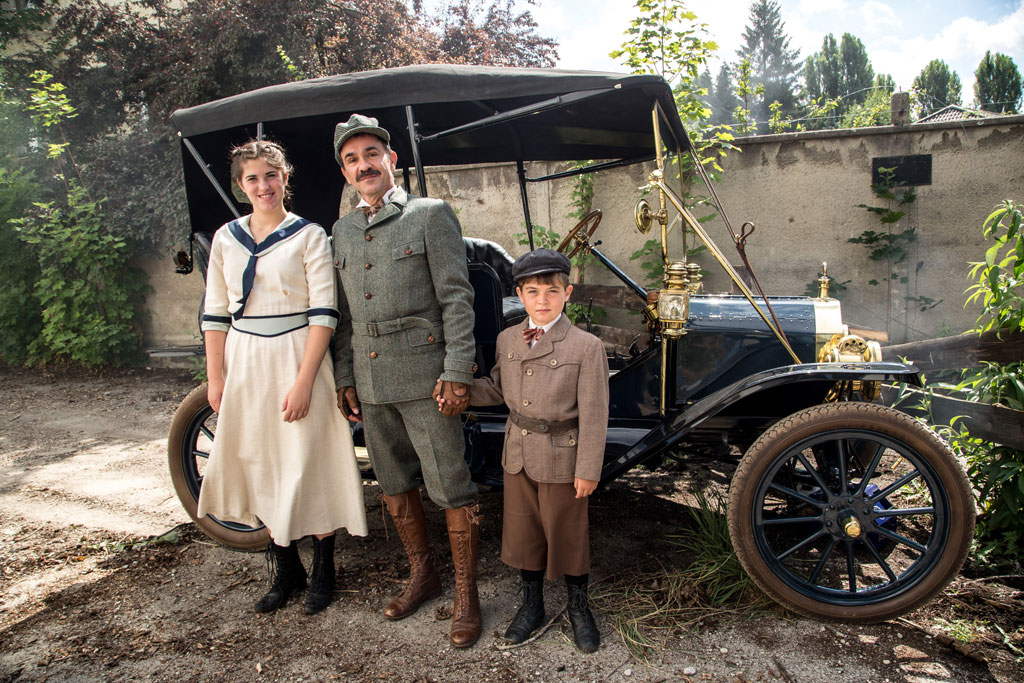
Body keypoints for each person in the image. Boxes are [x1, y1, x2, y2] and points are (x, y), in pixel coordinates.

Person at [198, 139, 368, 616]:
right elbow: (215, 313)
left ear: (284, 178)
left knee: (307, 460)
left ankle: (324, 571)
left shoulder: (309, 235)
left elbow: (324, 313)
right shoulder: (226, 238)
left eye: (271, 175)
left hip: (300, 356)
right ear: (240, 186)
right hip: (246, 357)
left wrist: (303, 381)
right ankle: (285, 567)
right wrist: (217, 379)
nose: (263, 186)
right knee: (259, 460)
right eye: (252, 178)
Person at [330, 114, 482, 648]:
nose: (363, 165)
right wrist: (345, 374)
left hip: (427, 377)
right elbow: (345, 312)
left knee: (449, 485)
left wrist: (457, 370)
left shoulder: (430, 214)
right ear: (345, 173)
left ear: (391, 160)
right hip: (371, 381)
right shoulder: (341, 230)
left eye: (371, 154)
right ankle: (423, 574)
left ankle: (467, 592)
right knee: (392, 482)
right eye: (351, 160)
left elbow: (456, 298)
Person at [459, 248, 608, 653]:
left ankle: (579, 607)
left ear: (568, 293)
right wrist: (459, 390)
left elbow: (595, 414)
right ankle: (532, 605)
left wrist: (589, 468)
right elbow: (496, 388)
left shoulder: (585, 346)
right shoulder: (508, 339)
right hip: (518, 452)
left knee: (568, 534)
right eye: (532, 292)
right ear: (519, 296)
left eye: (551, 291)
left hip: (563, 453)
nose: (542, 300)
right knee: (523, 533)